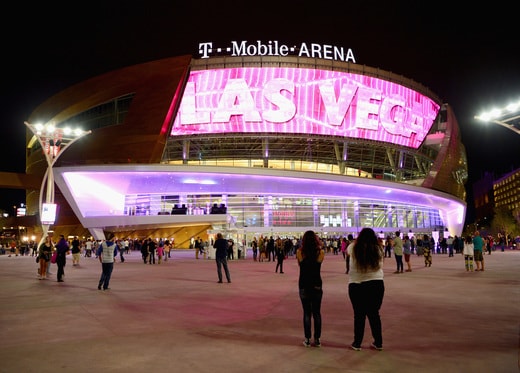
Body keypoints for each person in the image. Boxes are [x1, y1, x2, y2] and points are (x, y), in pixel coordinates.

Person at [347, 227, 384, 351]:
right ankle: (378, 342)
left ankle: (357, 343)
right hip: (376, 283)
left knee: (359, 315)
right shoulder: (378, 249)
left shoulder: (353, 247)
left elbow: (348, 253)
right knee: (374, 314)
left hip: (357, 284)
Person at [297, 230, 325, 348]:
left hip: (304, 283)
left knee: (307, 313)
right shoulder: (320, 252)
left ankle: (307, 339)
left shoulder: (300, 252)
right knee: (317, 312)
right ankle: (317, 339)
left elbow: (301, 264)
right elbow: (318, 263)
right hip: (316, 283)